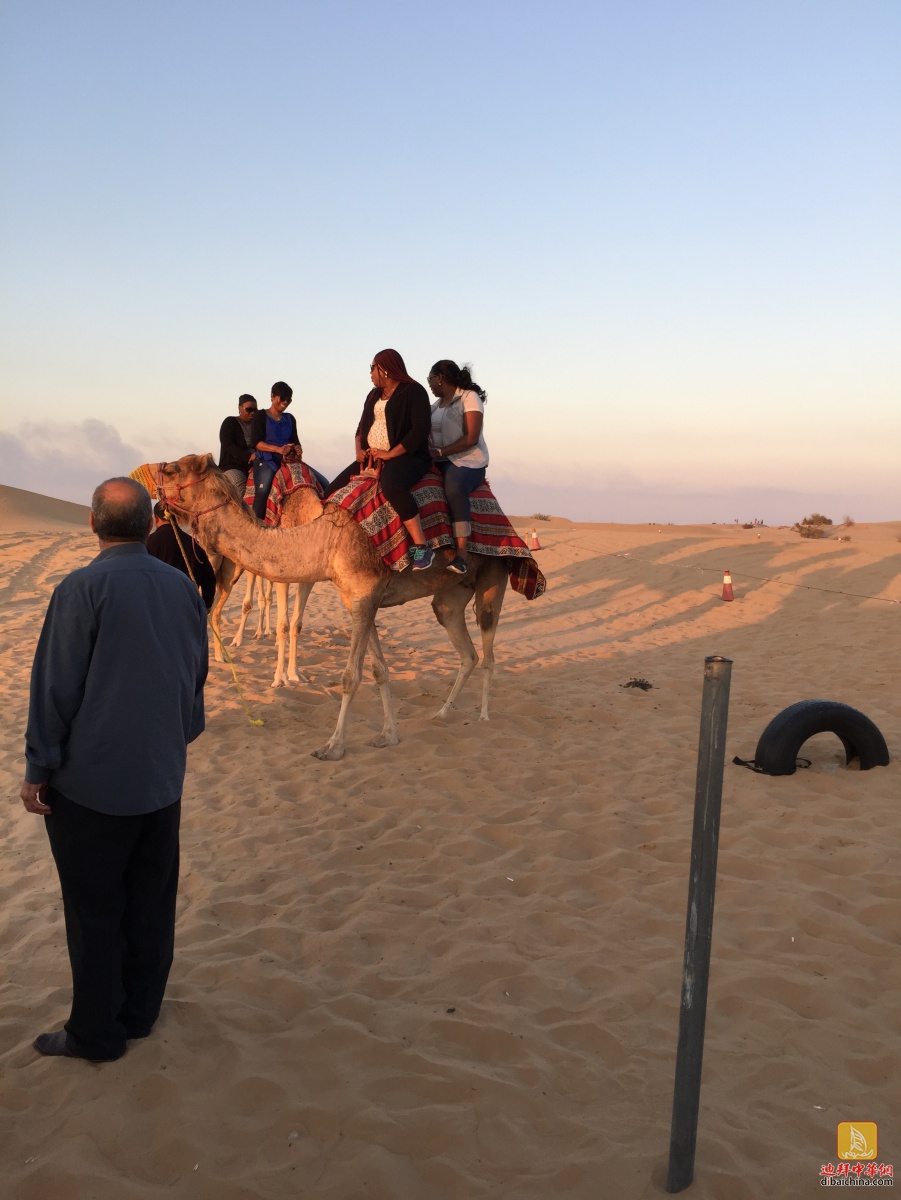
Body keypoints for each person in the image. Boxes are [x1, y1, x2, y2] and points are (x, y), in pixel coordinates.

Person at [20, 477, 208, 1062]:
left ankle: (97, 1033)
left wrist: (38, 768)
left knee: (95, 910)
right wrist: (174, 740)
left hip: (91, 789)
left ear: (94, 524)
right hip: (159, 779)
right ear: (152, 522)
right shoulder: (182, 587)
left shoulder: (81, 589)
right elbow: (194, 674)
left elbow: (54, 689)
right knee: (151, 900)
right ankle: (140, 1014)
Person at [327, 349, 435, 569]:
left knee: (392, 486)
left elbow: (420, 429)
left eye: (372, 368)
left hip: (407, 456)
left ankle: (421, 546)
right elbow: (361, 427)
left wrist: (390, 453)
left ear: (384, 370)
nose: (370, 373)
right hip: (370, 457)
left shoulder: (414, 392)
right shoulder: (373, 395)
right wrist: (359, 449)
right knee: (332, 490)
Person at [427, 360, 489, 574]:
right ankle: (419, 552)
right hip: (438, 461)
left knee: (453, 487)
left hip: (467, 460)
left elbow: (471, 437)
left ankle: (461, 555)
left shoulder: (469, 398)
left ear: (440, 378)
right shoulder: (434, 407)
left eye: (430, 379)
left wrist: (441, 452)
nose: (429, 384)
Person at [249, 382, 329, 518]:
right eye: (282, 398)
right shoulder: (261, 416)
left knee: (324, 483)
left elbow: (295, 441)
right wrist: (278, 449)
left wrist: (298, 448)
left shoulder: (290, 418)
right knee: (263, 490)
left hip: (288, 458)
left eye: (289, 399)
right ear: (272, 396)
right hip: (267, 458)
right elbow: (256, 443)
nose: (285, 402)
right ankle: (257, 525)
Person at [146, 500, 217, 610]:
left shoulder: (148, 543)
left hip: (157, 607)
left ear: (155, 519)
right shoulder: (193, 544)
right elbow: (209, 578)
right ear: (177, 518)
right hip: (188, 606)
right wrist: (206, 605)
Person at [218, 394, 258, 491]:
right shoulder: (230, 422)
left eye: (255, 410)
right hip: (232, 466)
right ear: (240, 408)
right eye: (249, 410)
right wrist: (249, 456)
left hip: (255, 465)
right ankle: (240, 506)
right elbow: (228, 445)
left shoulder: (258, 426)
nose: (252, 413)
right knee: (240, 485)